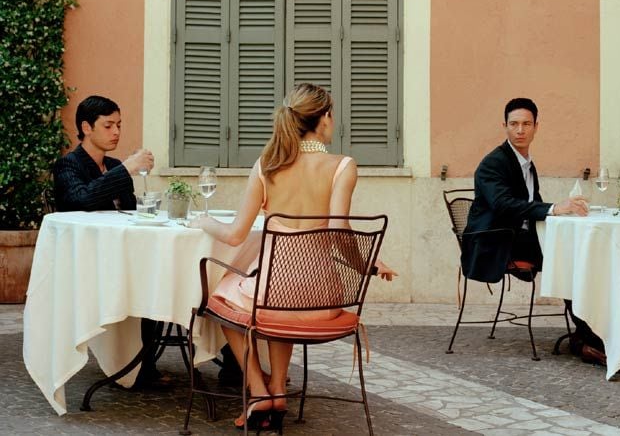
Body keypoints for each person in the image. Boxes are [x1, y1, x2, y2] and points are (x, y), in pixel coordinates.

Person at [189, 83, 396, 431]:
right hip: (323, 299)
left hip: (272, 294)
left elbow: (236, 234)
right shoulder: (343, 165)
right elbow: (339, 229)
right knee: (278, 301)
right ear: (325, 118)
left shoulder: (265, 166)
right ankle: (278, 390)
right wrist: (366, 263)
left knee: (222, 297)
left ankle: (258, 390)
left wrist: (205, 221)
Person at [460, 98, 613, 364]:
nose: (520, 130)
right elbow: (503, 205)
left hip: (518, 237)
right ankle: (591, 338)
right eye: (514, 124)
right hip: (496, 243)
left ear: (536, 127)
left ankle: (591, 333)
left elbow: (529, 205)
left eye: (526, 124)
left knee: (580, 254)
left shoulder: (525, 162)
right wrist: (555, 208)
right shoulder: (493, 163)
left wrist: (562, 210)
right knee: (571, 258)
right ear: (504, 126)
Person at [52, 95, 166, 386]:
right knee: (149, 281)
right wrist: (126, 169)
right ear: (86, 127)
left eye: (119, 125)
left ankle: (144, 364)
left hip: (123, 256)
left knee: (166, 276)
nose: (116, 132)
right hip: (89, 264)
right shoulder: (68, 166)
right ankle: (141, 369)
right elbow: (81, 199)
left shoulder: (114, 165)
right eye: (108, 125)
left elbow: (129, 211)